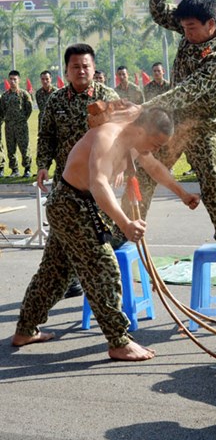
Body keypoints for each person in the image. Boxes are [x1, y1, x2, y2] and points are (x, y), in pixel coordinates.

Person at [12, 107, 199, 361]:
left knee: (55, 273)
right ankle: (119, 341)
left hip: (72, 204)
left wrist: (183, 194)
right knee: (104, 267)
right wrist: (125, 224)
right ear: (142, 130)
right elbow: (98, 182)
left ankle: (25, 330)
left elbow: (154, 168)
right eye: (155, 143)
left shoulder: (135, 141)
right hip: (71, 203)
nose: (154, 150)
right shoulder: (108, 137)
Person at [120, 0, 216, 251]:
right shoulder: (190, 22)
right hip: (173, 123)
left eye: (192, 28)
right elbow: (160, 13)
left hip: (204, 126)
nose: (186, 33)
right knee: (145, 170)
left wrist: (144, 108)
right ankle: (122, 228)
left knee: (213, 178)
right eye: (183, 27)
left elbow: (186, 91)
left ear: (211, 24)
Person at [37, 43, 120, 298]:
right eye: (75, 67)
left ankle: (101, 282)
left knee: (99, 231)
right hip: (66, 179)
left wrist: (120, 166)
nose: (81, 71)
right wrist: (42, 165)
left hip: (99, 180)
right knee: (62, 229)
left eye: (86, 66)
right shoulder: (56, 100)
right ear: (66, 70)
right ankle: (69, 280)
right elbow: (46, 135)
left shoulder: (108, 98)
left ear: (94, 68)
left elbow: (123, 137)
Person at [0, 70, 32, 178]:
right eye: (11, 79)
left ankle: (27, 169)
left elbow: (29, 109)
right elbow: (2, 110)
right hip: (9, 126)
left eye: (15, 79)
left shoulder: (24, 94)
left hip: (21, 126)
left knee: (24, 148)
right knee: (11, 149)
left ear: (19, 80)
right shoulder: (5, 96)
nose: (13, 81)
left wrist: (22, 119)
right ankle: (14, 170)